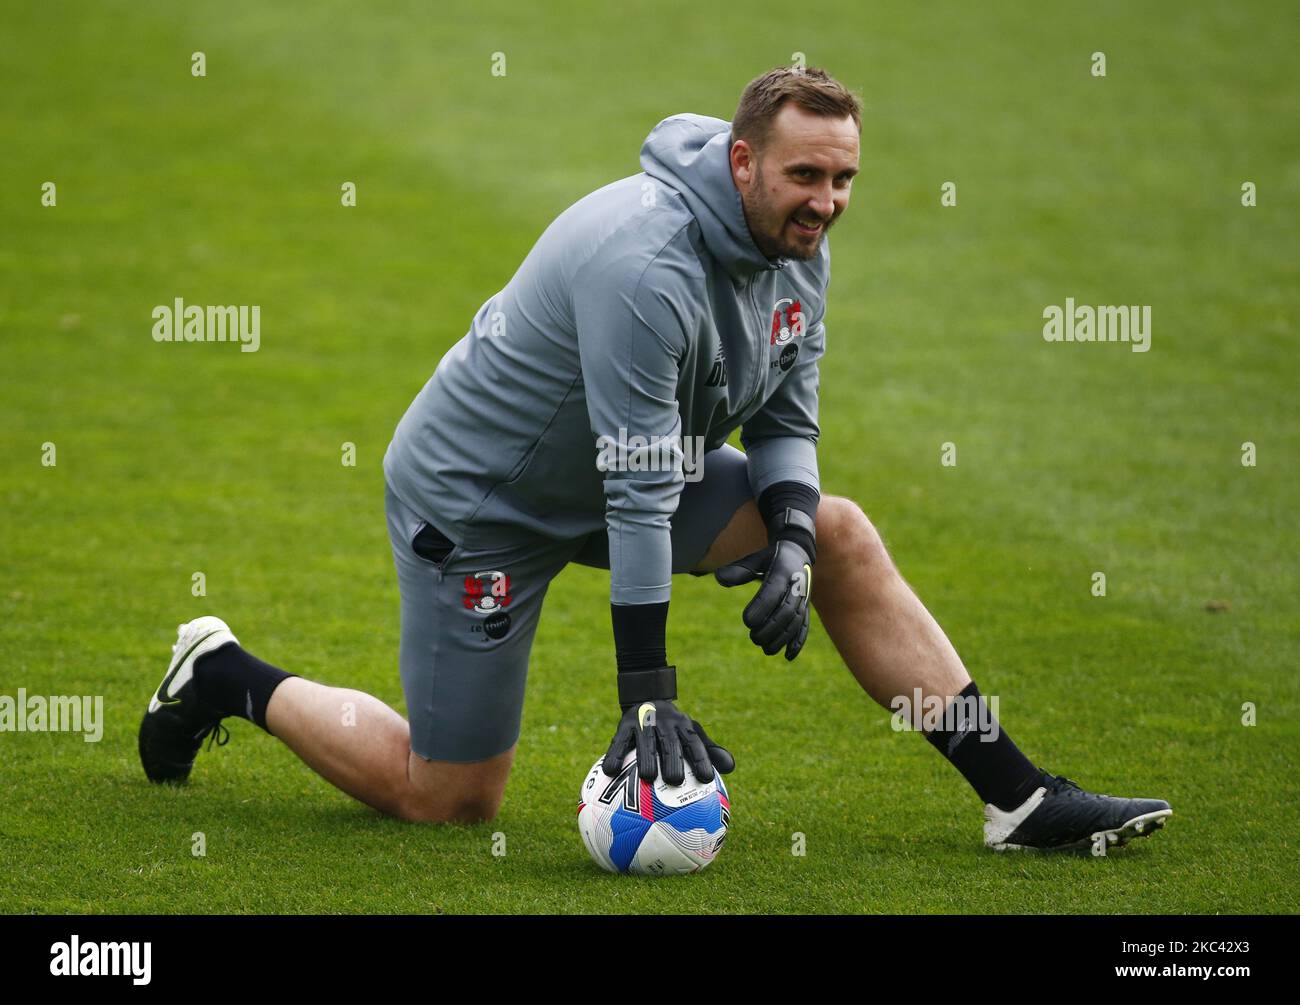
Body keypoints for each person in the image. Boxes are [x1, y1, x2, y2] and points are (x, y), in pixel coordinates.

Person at [139, 66, 1172, 852]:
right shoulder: (646, 266)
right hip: (482, 504)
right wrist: (648, 696)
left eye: (843, 179)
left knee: (844, 531)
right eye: (804, 175)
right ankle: (227, 675)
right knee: (448, 800)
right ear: (741, 162)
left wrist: (798, 541)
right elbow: (637, 494)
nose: (826, 200)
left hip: (629, 477)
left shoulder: (797, 254)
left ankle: (1020, 796)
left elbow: (782, 425)